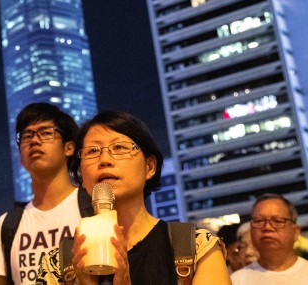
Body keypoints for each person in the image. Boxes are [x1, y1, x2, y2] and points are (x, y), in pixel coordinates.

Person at [35, 110, 230, 285]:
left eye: (119, 148)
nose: (104, 160)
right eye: (92, 151)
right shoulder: (59, 264)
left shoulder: (195, 248)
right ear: (81, 176)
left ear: (150, 167)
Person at [0, 103, 86, 285]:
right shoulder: (6, 226)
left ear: (69, 148)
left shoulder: (93, 209)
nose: (34, 141)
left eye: (46, 133)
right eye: (26, 136)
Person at [229, 193, 308, 284]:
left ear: (296, 232)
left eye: (277, 221)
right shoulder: (236, 281)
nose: (267, 227)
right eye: (259, 221)